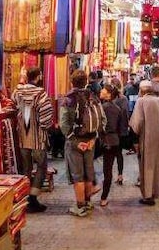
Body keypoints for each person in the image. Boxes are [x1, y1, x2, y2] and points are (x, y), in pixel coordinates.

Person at [60, 70, 105, 217]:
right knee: (88, 172)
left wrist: (74, 141)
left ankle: (80, 206)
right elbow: (102, 120)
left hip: (75, 142)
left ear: (72, 81)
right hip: (90, 141)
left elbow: (64, 124)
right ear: (86, 81)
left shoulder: (68, 99)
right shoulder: (93, 97)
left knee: (77, 175)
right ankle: (88, 201)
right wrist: (93, 139)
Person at [12, 67, 54, 213]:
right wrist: (45, 127)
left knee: (26, 168)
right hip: (37, 138)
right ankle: (33, 198)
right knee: (41, 167)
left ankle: (24, 197)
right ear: (38, 77)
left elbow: (12, 106)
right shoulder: (41, 94)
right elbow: (46, 116)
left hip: (23, 136)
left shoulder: (18, 92)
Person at [130, 81, 159, 205]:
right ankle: (155, 192)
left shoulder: (140, 101)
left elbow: (137, 123)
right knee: (158, 165)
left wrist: (134, 140)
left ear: (142, 90)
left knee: (146, 166)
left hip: (146, 138)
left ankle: (147, 195)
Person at [99, 85, 124, 206]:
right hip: (114, 140)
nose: (101, 90)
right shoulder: (118, 109)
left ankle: (95, 193)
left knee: (105, 170)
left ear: (108, 94)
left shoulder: (102, 108)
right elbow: (121, 127)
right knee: (108, 170)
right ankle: (104, 197)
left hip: (104, 140)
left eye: (103, 89)